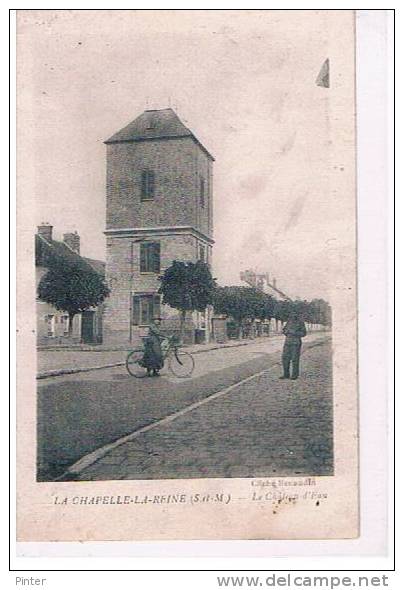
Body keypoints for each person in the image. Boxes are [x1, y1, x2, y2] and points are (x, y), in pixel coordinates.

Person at [279, 310, 307, 380]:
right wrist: (286, 332)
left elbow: (304, 333)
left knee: (295, 359)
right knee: (285, 359)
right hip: (287, 342)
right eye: (291, 314)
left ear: (297, 315)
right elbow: (284, 330)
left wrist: (294, 332)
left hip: (296, 343)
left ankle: (295, 375)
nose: (292, 315)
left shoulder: (300, 323)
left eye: (294, 314)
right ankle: (286, 374)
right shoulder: (289, 322)